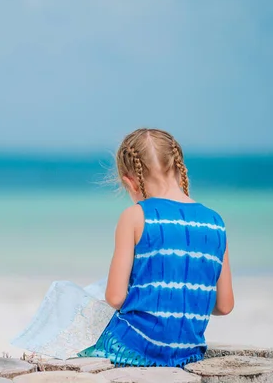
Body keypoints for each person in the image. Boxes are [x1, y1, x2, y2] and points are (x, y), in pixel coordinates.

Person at [78, 128, 234, 367]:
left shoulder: (134, 216)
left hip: (134, 347)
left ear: (130, 181)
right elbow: (224, 306)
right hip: (188, 352)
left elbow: (115, 296)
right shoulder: (215, 222)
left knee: (70, 306)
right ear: (179, 169)